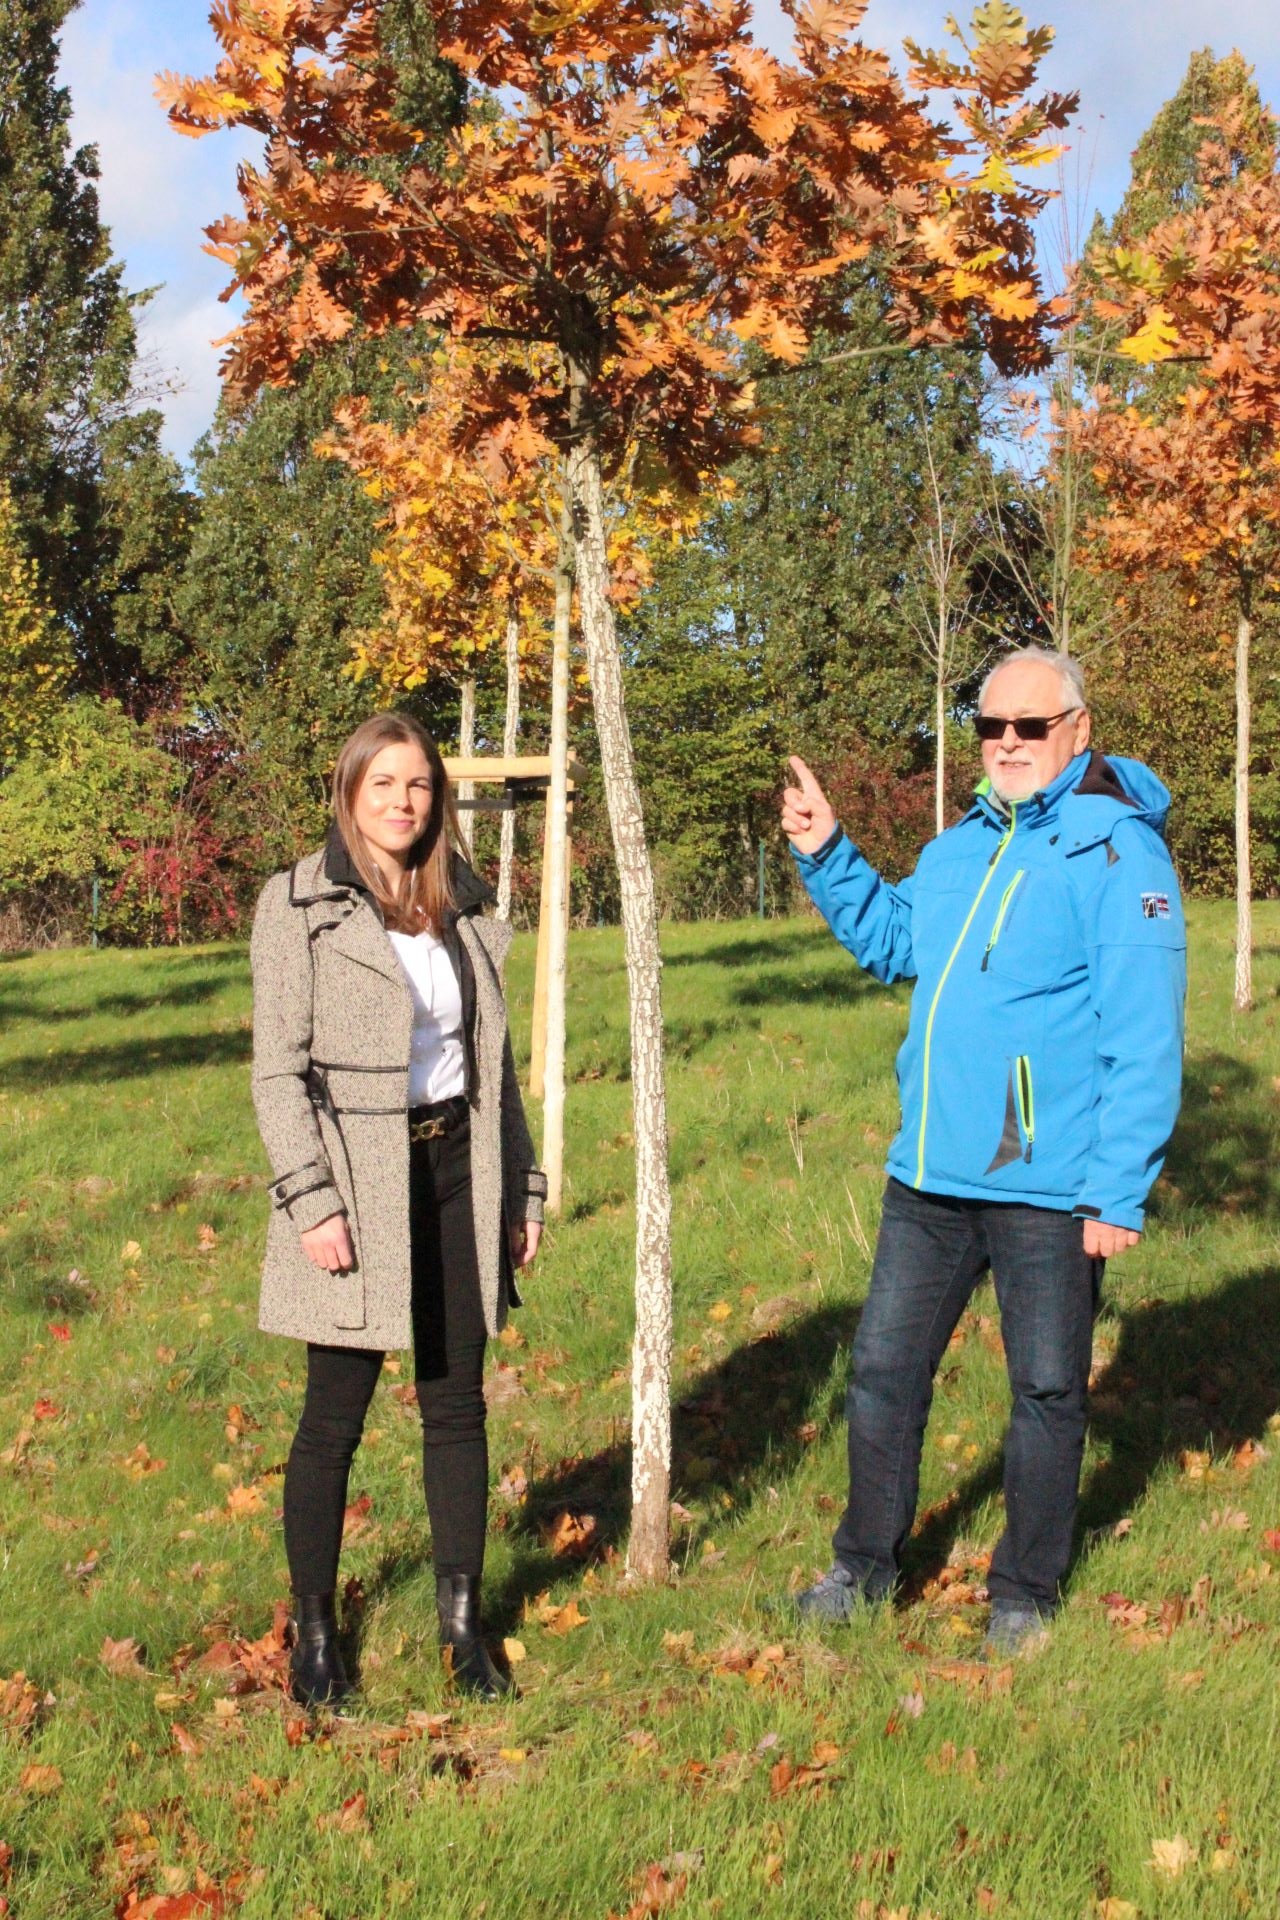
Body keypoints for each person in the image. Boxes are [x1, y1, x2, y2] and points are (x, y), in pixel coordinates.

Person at [779, 647, 1185, 1655]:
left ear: (1075, 732)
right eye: (988, 726)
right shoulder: (960, 846)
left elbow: (1141, 1036)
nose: (1004, 744)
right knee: (879, 1374)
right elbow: (893, 945)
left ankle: (1022, 1596)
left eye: (1027, 727)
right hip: (926, 1173)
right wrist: (827, 852)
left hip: (1046, 1187)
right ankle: (862, 1568)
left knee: (1044, 1390)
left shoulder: (1117, 855)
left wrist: (1117, 1193)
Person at [250, 712, 546, 1706]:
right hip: (352, 1183)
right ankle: (318, 1638)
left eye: (418, 785)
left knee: (455, 1409)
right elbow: (274, 1075)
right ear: (348, 793)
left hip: (457, 1170)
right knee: (332, 1420)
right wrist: (311, 1201)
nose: (402, 802)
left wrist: (523, 1189)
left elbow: (493, 1070)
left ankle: (463, 1632)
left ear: (438, 798)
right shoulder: (297, 905)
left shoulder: (461, 908)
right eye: (382, 784)